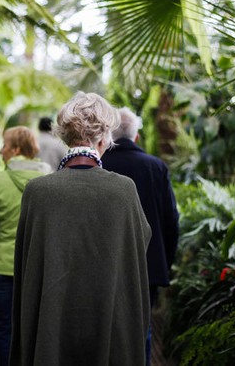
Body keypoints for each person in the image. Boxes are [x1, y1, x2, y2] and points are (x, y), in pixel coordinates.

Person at [11, 92, 152, 366]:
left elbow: (26, 266)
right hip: (109, 327)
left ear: (64, 136)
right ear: (104, 138)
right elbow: (137, 250)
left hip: (52, 334)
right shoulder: (124, 190)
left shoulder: (38, 192)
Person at [101, 107, 180, 366]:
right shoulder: (156, 167)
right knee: (141, 328)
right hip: (147, 265)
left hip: (104, 263)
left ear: (108, 135)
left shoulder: (100, 165)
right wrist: (164, 264)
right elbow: (171, 221)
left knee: (103, 329)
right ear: (136, 137)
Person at [0, 126, 50, 366]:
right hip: (36, 268)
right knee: (35, 327)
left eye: (4, 145)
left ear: (16, 149)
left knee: (5, 326)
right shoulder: (49, 180)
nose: (1, 151)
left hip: (0, 266)